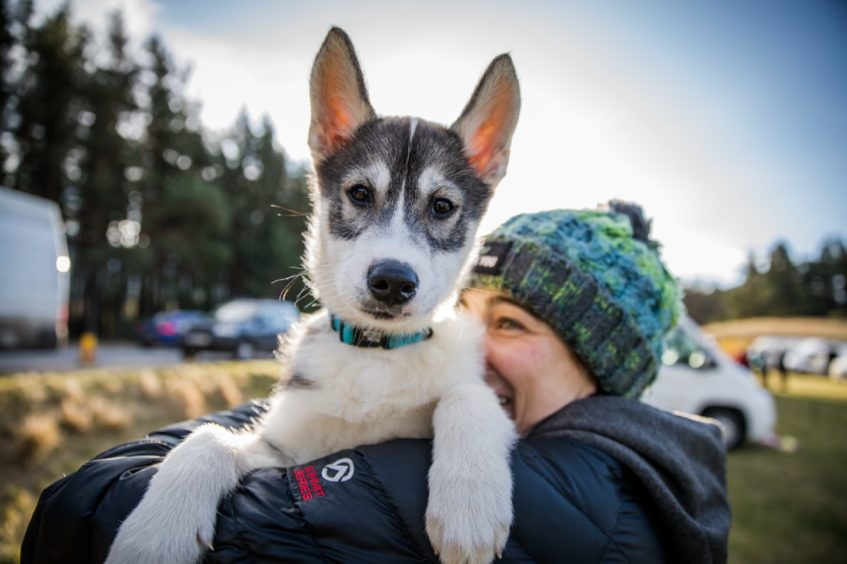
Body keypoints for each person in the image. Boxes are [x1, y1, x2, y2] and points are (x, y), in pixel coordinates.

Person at [22, 202, 730, 564]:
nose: (471, 345)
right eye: (466, 313)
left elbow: (81, 513)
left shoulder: (570, 499)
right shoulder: (641, 461)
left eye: (509, 325)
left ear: (596, 368)